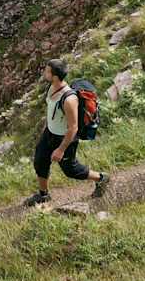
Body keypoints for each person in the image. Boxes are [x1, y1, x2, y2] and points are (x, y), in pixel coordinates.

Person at [24, 59, 109, 206]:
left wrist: (61, 149)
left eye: (47, 71)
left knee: (71, 170)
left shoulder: (69, 99)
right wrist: (46, 130)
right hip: (49, 133)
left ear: (55, 76)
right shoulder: (51, 88)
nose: (44, 72)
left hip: (64, 138)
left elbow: (73, 128)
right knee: (40, 160)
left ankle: (101, 178)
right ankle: (43, 195)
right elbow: (52, 112)